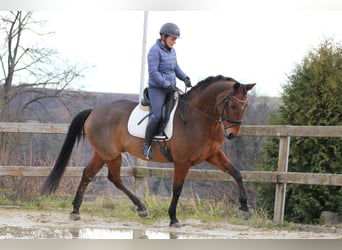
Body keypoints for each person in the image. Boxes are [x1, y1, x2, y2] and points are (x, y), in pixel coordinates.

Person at [141, 22, 192, 160]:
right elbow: (153, 72)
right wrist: (165, 84)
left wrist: (184, 77)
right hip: (157, 89)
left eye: (175, 39)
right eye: (173, 39)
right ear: (163, 37)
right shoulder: (154, 50)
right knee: (157, 115)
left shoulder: (172, 51)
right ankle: (146, 145)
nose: (174, 42)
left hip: (170, 87)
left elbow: (175, 68)